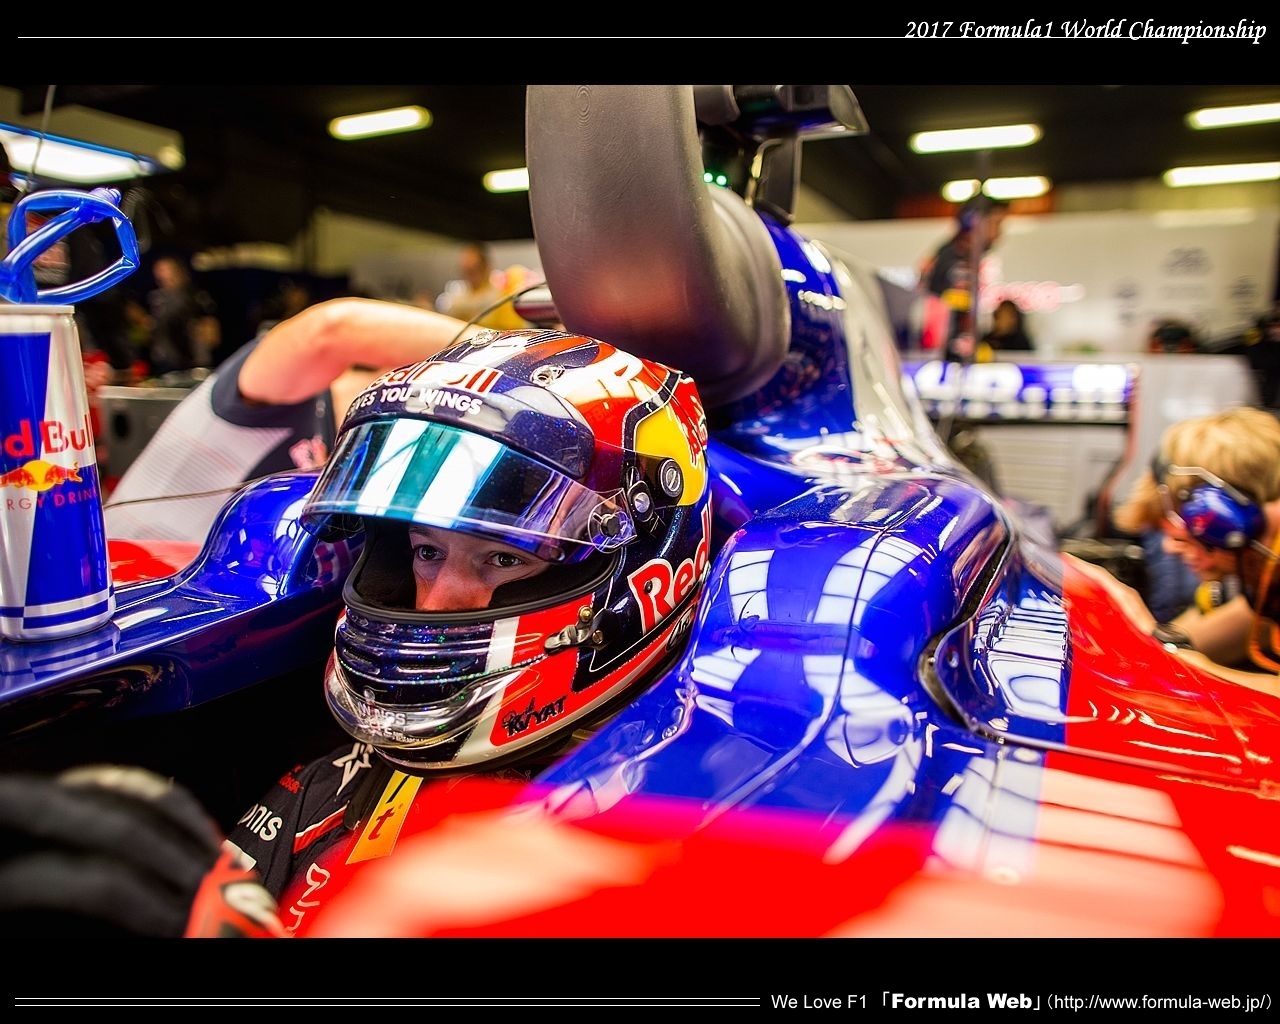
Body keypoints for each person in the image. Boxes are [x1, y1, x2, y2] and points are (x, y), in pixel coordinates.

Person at [0, 328, 712, 937]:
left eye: (502, 558)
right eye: (425, 551)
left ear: (645, 573)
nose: (435, 603)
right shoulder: (332, 787)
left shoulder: (687, 817)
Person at [103, 297, 482, 544]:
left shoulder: (350, 448)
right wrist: (503, 349)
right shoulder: (283, 393)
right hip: (124, 580)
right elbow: (331, 329)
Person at [1073, 405, 1280, 698]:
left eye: (1180, 537)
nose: (1169, 547)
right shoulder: (1263, 574)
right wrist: (1144, 636)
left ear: (1226, 518)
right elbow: (1192, 639)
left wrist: (1165, 647)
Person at [919, 196, 1011, 363]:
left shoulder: (963, 258)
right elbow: (944, 320)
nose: (999, 234)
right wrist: (963, 348)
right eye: (996, 224)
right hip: (948, 362)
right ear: (972, 222)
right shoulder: (956, 262)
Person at [145, 254, 220, 376]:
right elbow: (149, 327)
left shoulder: (198, 297)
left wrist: (205, 333)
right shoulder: (155, 300)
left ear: (180, 271)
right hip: (165, 362)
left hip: (195, 362)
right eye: (160, 271)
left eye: (167, 270)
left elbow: (212, 332)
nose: (163, 275)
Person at [434, 241, 531, 330]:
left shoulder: (501, 297)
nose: (470, 276)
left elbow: (510, 330)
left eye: (474, 269)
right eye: (466, 270)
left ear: (486, 267)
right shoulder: (458, 299)